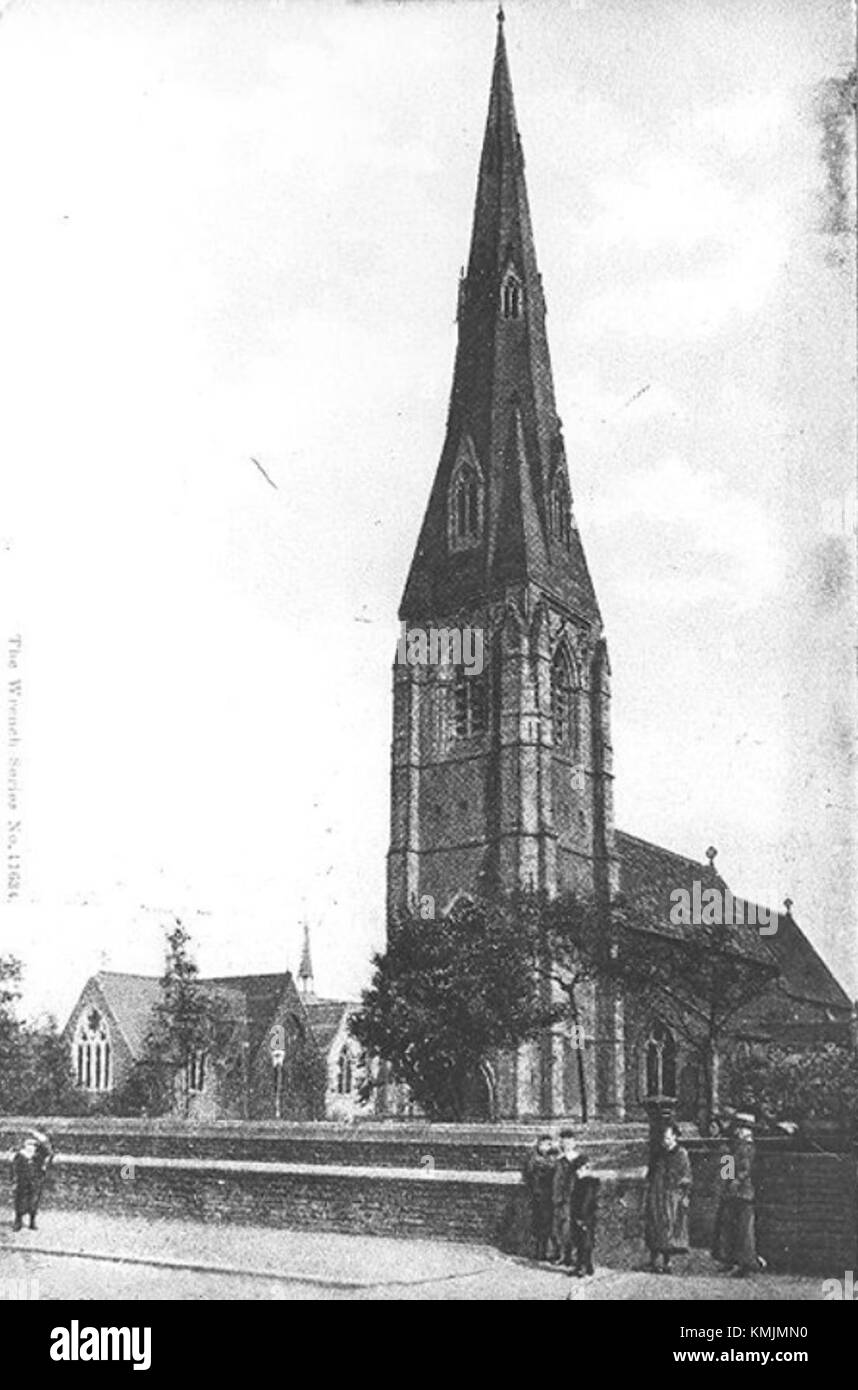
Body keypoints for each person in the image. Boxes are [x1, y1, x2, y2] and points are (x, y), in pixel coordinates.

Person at [712, 1114, 761, 1276]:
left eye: (743, 1128)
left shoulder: (747, 1147)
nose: (739, 1131)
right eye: (738, 1127)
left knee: (744, 1230)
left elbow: (745, 1170)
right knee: (727, 1226)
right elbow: (727, 1168)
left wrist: (735, 1182)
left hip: (744, 1193)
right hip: (732, 1192)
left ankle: (746, 1264)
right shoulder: (733, 1146)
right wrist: (727, 1183)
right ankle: (728, 1260)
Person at [644, 1121, 692, 1273]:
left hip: (671, 1195)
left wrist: (681, 1192)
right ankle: (654, 1260)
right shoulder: (659, 1153)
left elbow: (685, 1176)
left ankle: (667, 1261)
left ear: (675, 1137)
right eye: (664, 1138)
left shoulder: (681, 1153)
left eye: (668, 1138)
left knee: (668, 1226)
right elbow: (651, 1172)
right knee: (654, 1224)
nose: (665, 1141)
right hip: (656, 1194)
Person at [522, 1133, 557, 1261]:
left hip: (551, 1195)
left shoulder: (554, 1157)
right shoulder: (532, 1158)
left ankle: (551, 1251)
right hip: (537, 1195)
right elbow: (527, 1174)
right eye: (542, 1144)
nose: (545, 1147)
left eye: (548, 1144)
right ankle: (539, 1251)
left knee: (551, 1224)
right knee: (538, 1223)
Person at [552, 1128, 580, 1267]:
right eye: (563, 1143)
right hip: (558, 1199)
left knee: (571, 1228)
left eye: (568, 1143)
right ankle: (563, 1256)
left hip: (573, 1199)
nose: (565, 1145)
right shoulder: (558, 1160)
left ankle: (574, 1257)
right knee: (559, 1228)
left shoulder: (577, 1160)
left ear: (574, 1144)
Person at [568, 1152, 599, 1277]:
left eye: (579, 1170)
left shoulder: (587, 1184)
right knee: (584, 1242)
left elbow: (585, 1203)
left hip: (584, 1218)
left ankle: (582, 1267)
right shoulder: (584, 1182)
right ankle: (588, 1266)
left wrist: (581, 1218)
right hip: (585, 1218)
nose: (577, 1173)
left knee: (583, 1244)